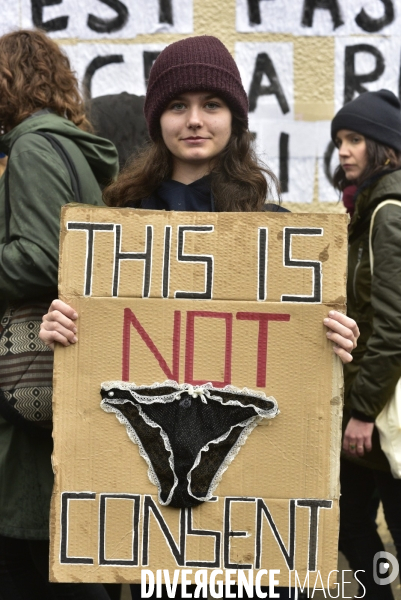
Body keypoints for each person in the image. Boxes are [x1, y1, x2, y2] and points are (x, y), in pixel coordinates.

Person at [40, 36, 359, 599]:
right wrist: (63, 328)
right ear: (156, 118)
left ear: (233, 119)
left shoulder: (276, 231)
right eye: (177, 105)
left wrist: (332, 338)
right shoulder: (116, 229)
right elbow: (97, 355)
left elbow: (300, 372)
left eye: (211, 105)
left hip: (250, 534)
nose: (194, 120)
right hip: (151, 534)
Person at [0, 30, 119, 600]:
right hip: (60, 359)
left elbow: (44, 257)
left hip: (31, 365)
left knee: (37, 559)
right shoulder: (72, 148)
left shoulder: (31, 148)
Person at [331, 89, 401, 599]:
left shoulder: (387, 212)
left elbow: (394, 325)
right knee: (348, 524)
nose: (344, 152)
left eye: (355, 139)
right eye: (338, 141)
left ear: (384, 146)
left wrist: (361, 411)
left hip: (380, 413)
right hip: (366, 405)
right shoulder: (364, 209)